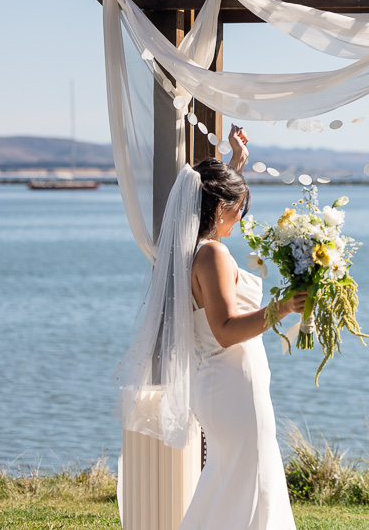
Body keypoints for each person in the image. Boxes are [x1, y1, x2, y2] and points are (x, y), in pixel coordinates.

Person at [115, 124, 305, 530]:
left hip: (217, 385)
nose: (241, 219)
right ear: (220, 210)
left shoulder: (193, 251)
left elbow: (218, 198)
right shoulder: (213, 255)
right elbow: (224, 328)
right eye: (239, 210)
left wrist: (237, 162)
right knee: (248, 479)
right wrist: (284, 306)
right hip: (232, 384)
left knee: (231, 480)